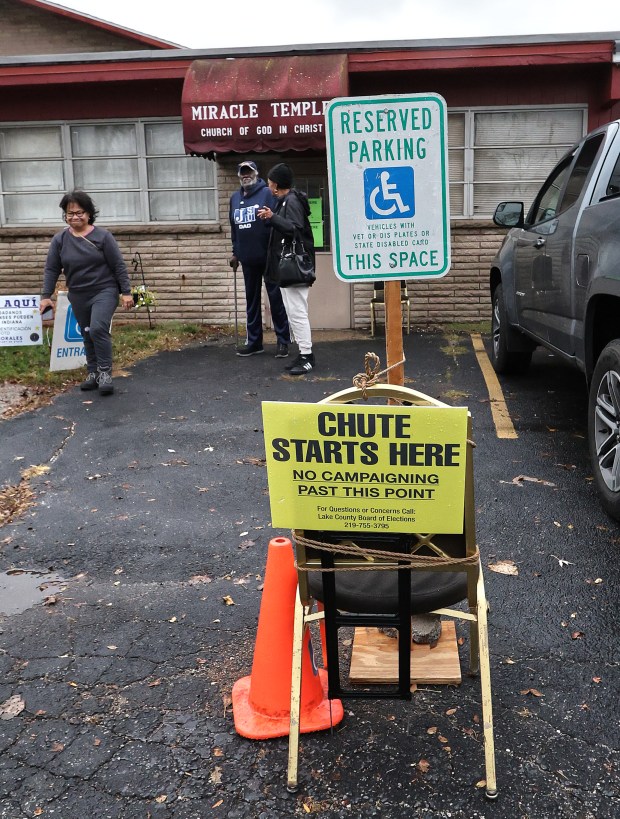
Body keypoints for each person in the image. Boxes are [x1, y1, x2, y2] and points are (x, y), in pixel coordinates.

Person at [39, 190, 134, 396]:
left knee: (98, 328)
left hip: (104, 290)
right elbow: (52, 269)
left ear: (89, 213)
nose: (75, 217)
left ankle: (105, 373)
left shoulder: (103, 237)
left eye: (79, 212)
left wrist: (126, 292)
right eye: (70, 213)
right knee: (87, 332)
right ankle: (92, 372)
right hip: (78, 293)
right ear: (65, 215)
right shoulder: (60, 240)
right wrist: (46, 296)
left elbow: (118, 265)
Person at [258, 163, 316, 376]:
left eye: (270, 181)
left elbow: (294, 229)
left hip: (295, 269)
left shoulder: (291, 201)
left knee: (297, 312)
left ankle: (307, 356)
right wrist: (272, 216)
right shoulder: (284, 201)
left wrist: (273, 217)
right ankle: (303, 353)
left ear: (277, 184)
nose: (268, 185)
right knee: (294, 312)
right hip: (288, 269)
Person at [229, 161, 290, 358]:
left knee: (275, 299)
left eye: (249, 172)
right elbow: (234, 229)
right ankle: (254, 342)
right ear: (239, 175)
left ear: (256, 173)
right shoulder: (234, 198)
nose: (246, 175)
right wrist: (235, 252)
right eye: (242, 172)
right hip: (247, 258)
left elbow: (276, 219)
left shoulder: (266, 193)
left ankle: (283, 342)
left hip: (268, 256)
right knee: (251, 302)